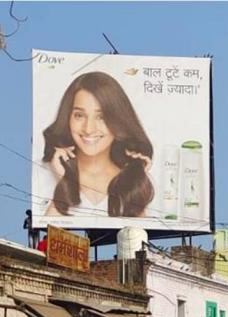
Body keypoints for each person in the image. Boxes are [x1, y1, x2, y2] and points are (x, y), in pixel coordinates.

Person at [42, 72, 154, 218]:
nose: (89, 129)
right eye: (79, 115)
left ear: (119, 120)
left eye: (101, 117)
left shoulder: (140, 180)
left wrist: (136, 182)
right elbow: (48, 234)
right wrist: (63, 182)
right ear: (67, 118)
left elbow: (139, 237)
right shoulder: (45, 170)